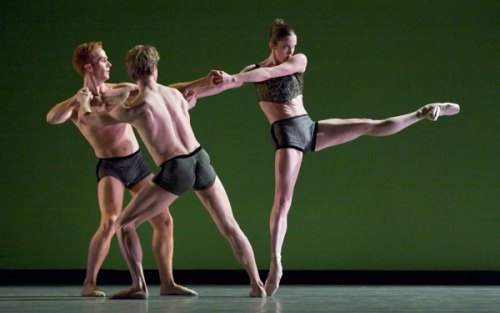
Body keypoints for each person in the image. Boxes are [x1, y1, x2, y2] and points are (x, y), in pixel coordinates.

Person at [192, 18, 460, 296]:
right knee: (282, 200)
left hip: (308, 127)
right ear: (272, 45)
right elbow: (226, 85)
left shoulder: (297, 61)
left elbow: (265, 76)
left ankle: (423, 111)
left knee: (368, 124)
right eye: (285, 47)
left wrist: (236, 77)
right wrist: (194, 90)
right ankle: (276, 262)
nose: (290, 51)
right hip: (286, 136)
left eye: (293, 46)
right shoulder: (253, 69)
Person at [78, 45, 267, 299]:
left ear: (133, 75)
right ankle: (257, 284)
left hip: (177, 167)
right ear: (155, 69)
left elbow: (89, 120)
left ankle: (139, 286)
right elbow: (188, 99)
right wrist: (227, 80)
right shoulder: (175, 96)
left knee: (124, 225)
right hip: (201, 158)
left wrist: (84, 103)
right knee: (230, 226)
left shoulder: (133, 109)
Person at [46, 42, 203, 297]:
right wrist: (76, 99)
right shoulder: (78, 105)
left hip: (137, 163)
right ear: (89, 67)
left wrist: (203, 83)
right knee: (110, 221)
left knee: (164, 221)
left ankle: (167, 283)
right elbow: (52, 118)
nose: (109, 64)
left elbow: (158, 91)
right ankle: (89, 284)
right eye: (103, 60)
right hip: (111, 167)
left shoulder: (121, 90)